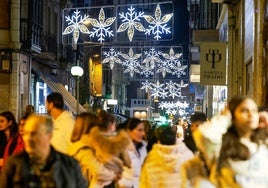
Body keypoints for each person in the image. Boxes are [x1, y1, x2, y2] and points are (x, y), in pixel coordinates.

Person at [0, 114, 87, 188]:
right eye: (26, 133)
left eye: (34, 133)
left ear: (49, 135)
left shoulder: (69, 165)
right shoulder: (14, 164)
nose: (28, 138)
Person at [67, 112, 122, 188]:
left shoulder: (77, 146)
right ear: (90, 128)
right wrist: (114, 176)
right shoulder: (83, 149)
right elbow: (99, 171)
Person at [87, 110, 131, 188]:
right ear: (110, 125)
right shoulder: (119, 141)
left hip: (97, 180)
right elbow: (128, 162)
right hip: (114, 179)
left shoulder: (90, 139)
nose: (115, 127)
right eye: (114, 124)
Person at [117, 118, 147, 188]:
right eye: (139, 130)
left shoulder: (143, 148)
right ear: (129, 131)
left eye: (143, 130)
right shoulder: (120, 148)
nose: (143, 133)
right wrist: (125, 184)